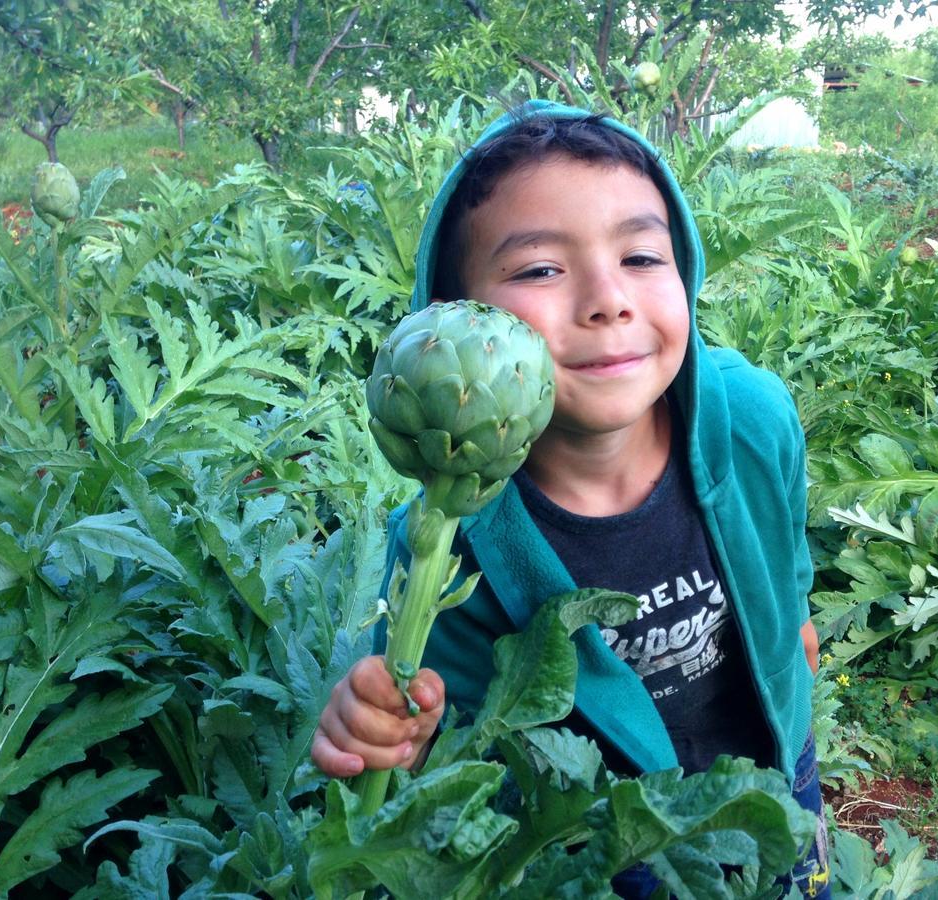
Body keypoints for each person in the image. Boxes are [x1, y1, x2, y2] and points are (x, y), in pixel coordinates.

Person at [311, 100, 830, 898]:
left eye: (643, 258)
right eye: (540, 269)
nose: (606, 299)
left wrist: (792, 654)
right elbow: (455, 743)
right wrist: (391, 732)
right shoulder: (443, 546)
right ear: (460, 314)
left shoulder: (755, 419)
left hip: (771, 768)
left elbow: (787, 587)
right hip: (594, 836)